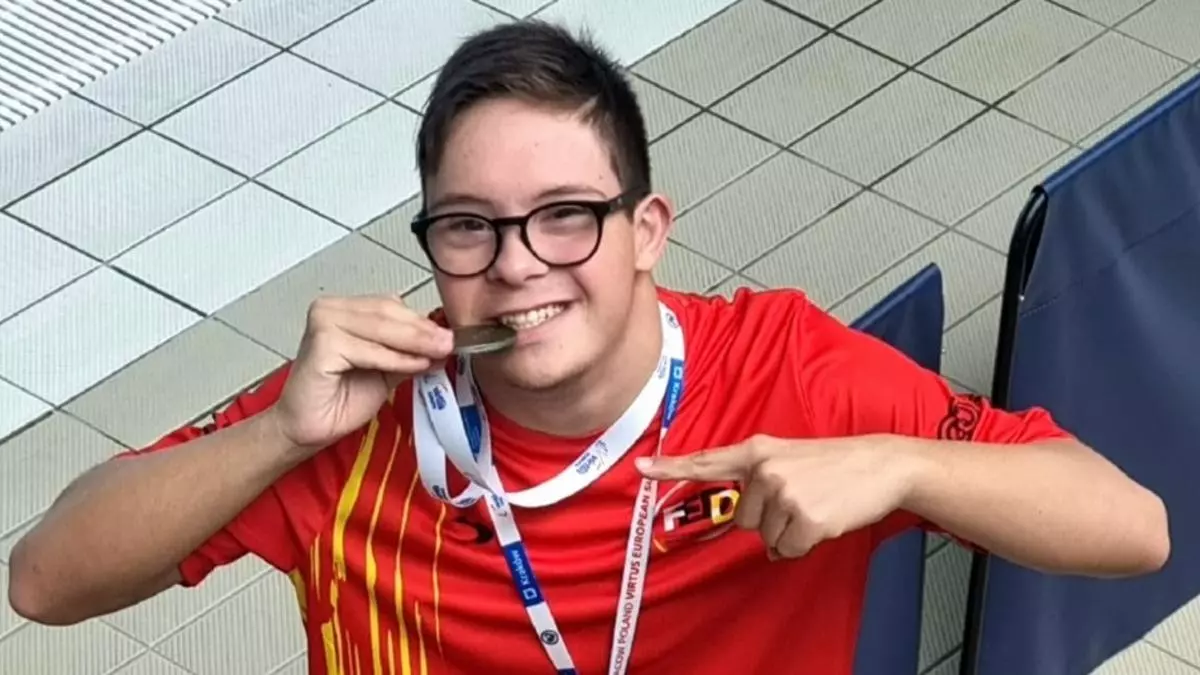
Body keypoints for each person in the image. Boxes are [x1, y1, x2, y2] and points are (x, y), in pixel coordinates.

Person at [8, 20, 1169, 675]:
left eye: (566, 215)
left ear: (647, 230)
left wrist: (905, 466)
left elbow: (1134, 528)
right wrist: (274, 435)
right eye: (470, 226)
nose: (519, 263)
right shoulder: (359, 406)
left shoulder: (789, 374)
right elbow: (44, 583)